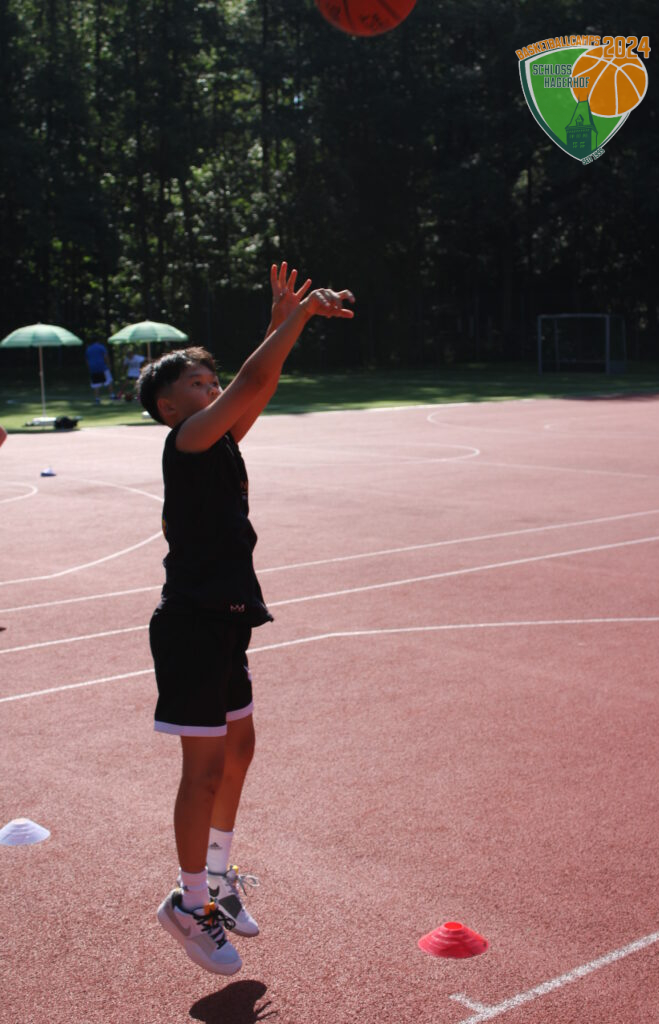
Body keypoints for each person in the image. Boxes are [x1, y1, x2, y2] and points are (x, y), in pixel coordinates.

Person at [137, 263, 354, 976]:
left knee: (240, 750)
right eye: (197, 384)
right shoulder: (187, 443)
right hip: (192, 625)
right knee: (202, 771)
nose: (211, 388)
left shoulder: (220, 440)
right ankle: (188, 902)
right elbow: (249, 382)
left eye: (212, 380)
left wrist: (278, 323)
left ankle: (218, 877)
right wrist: (300, 317)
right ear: (168, 406)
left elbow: (255, 385)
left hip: (227, 618)